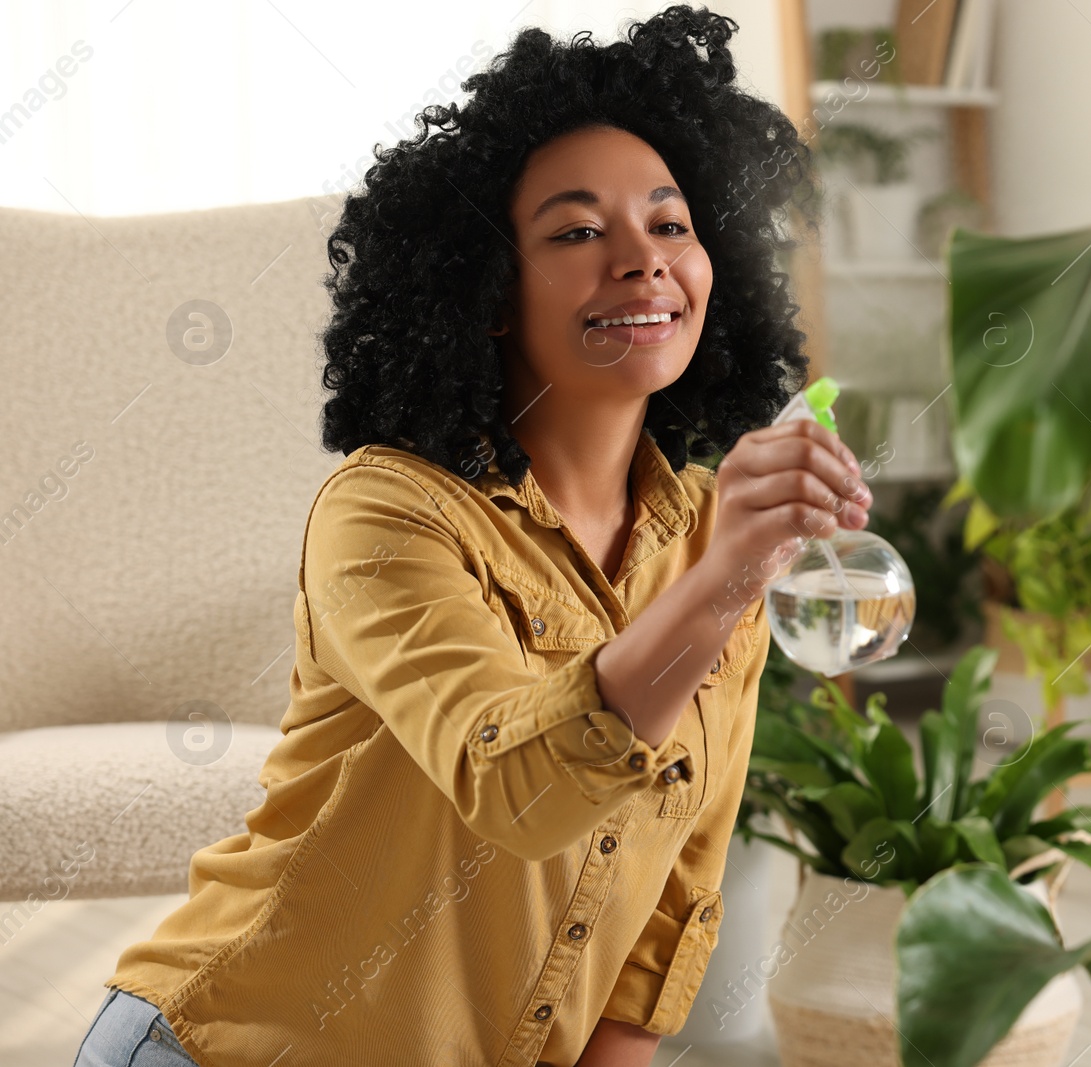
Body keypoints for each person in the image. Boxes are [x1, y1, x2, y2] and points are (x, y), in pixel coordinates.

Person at [76, 7, 872, 1065]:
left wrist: (723, 570)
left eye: (672, 223)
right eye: (578, 231)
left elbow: (673, 898)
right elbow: (522, 788)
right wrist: (725, 581)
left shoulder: (707, 545)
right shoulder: (387, 512)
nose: (644, 261)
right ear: (489, 291)